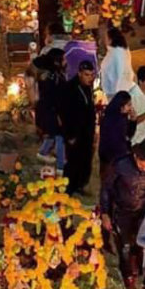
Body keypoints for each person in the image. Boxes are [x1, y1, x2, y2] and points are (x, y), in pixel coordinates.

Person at [101, 140, 145, 289]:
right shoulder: (121, 165)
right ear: (135, 156)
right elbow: (106, 189)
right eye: (142, 163)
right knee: (125, 245)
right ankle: (128, 275)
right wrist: (105, 213)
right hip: (123, 210)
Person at [57, 60, 96, 195]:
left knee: (85, 160)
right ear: (79, 73)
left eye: (91, 75)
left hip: (87, 132)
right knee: (73, 161)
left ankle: (80, 185)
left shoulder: (88, 87)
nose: (89, 78)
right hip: (74, 133)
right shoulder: (70, 88)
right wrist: (70, 135)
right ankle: (68, 189)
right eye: (86, 75)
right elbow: (64, 113)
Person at [33, 47, 66, 171]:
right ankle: (60, 167)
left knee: (52, 134)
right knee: (60, 137)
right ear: (57, 61)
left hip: (45, 110)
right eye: (64, 59)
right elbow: (56, 97)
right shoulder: (54, 77)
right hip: (52, 111)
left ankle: (42, 153)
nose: (66, 62)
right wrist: (60, 114)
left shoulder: (48, 74)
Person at [98, 91, 135, 177]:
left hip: (118, 156)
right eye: (128, 105)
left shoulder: (123, 116)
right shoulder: (111, 118)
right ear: (121, 106)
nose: (130, 107)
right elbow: (114, 140)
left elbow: (128, 134)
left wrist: (133, 121)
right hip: (110, 156)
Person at [100, 27, 135, 101]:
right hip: (115, 89)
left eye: (106, 38)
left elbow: (121, 73)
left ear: (111, 39)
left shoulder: (117, 53)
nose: (104, 40)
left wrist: (118, 94)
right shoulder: (116, 50)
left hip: (116, 91)